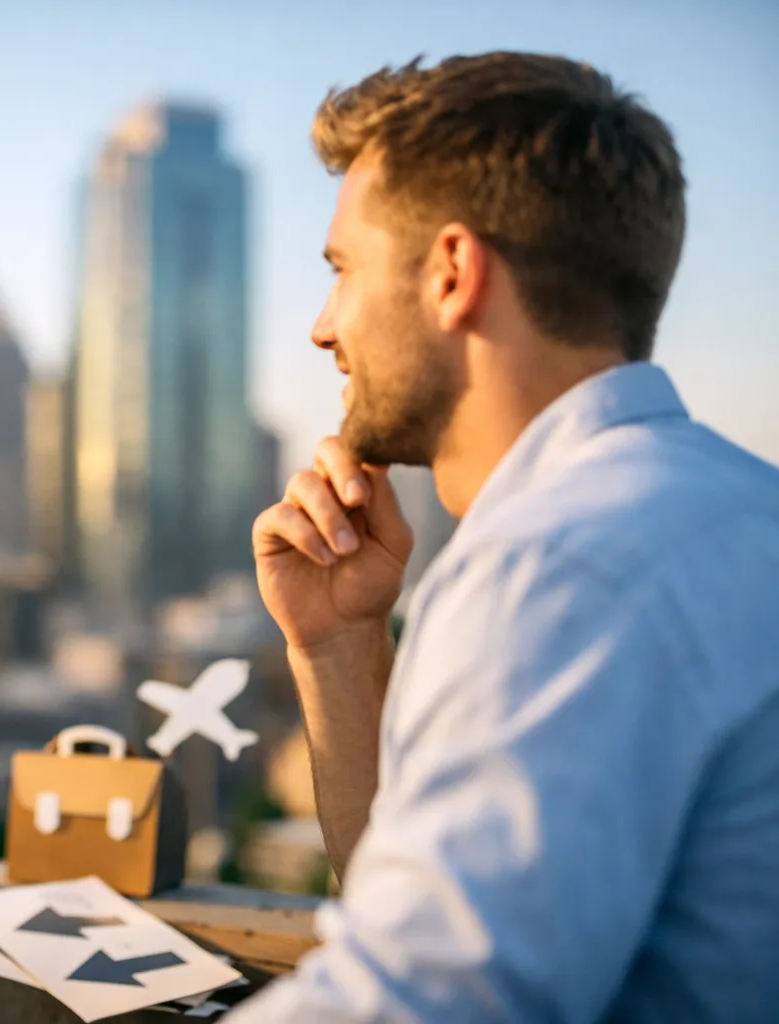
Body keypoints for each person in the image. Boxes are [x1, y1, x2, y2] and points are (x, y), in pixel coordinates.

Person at [231, 53, 779, 1022]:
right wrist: (341, 642)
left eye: (342, 271)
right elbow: (417, 908)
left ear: (451, 273)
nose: (322, 329)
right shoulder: (737, 506)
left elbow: (424, 999)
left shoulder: (565, 563)